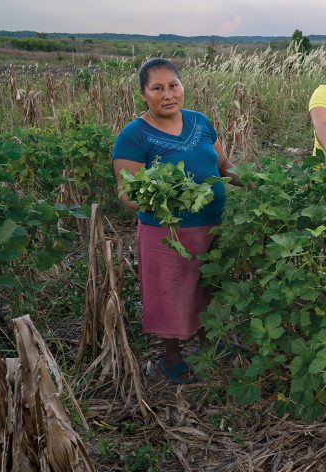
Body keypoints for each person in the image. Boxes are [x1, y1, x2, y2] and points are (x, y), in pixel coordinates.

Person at [112, 58, 238, 384]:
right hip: (167, 233)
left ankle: (208, 342)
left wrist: (253, 181)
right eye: (157, 88)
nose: (167, 94)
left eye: (173, 86)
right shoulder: (133, 136)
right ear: (143, 94)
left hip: (214, 224)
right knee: (169, 292)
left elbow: (224, 166)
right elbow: (127, 191)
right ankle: (172, 354)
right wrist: (152, 197)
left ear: (182, 87)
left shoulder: (201, 122)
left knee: (209, 285)